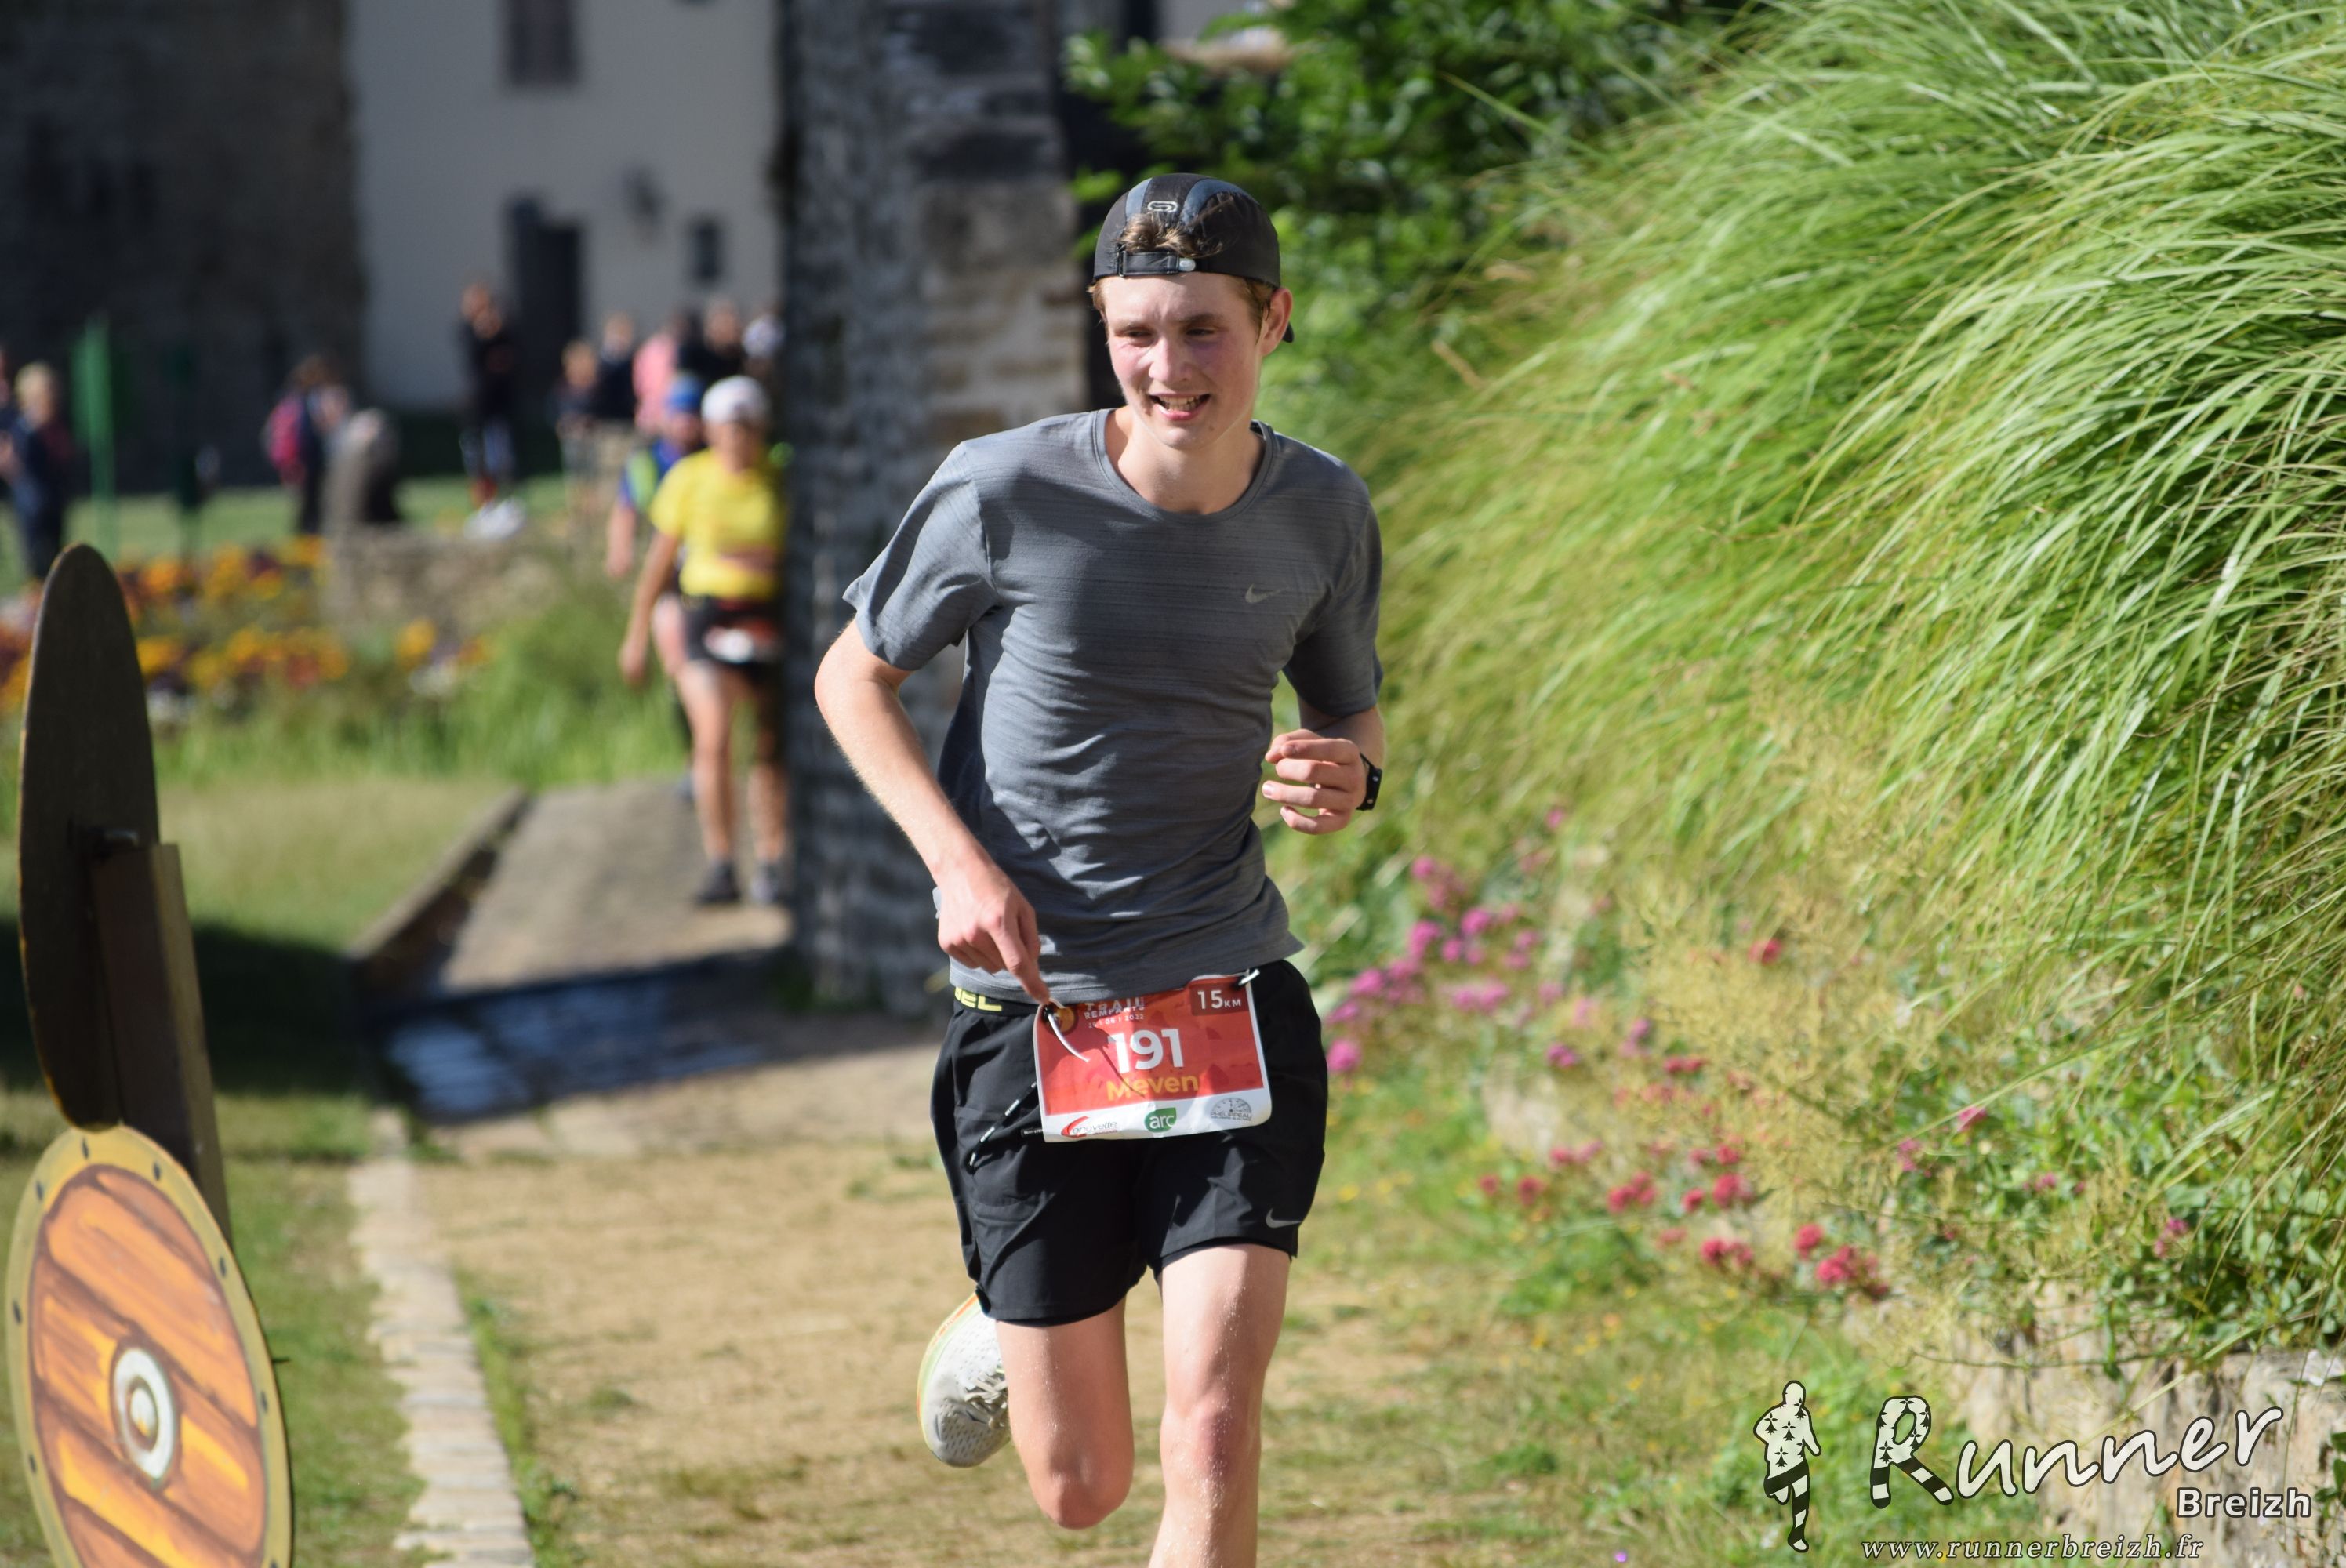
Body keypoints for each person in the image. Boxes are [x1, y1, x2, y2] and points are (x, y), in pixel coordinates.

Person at [812, 174, 1384, 1566]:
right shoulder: (1002, 488)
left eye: (1202, 330)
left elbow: (1348, 715)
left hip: (1226, 995)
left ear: (1272, 321)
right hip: (1037, 1016)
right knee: (1081, 1485)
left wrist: (1348, 773)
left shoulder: (1321, 509)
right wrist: (957, 866)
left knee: (1214, 1434)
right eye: (1136, 332)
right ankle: (1004, 1323)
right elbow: (851, 679)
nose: (1167, 367)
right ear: (1100, 326)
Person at [619, 376, 790, 905]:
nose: (738, 438)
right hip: (707, 615)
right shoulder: (690, 479)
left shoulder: (779, 477)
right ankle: (722, 862)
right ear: (712, 431)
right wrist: (636, 634)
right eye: (728, 428)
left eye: (748, 427)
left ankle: (772, 860)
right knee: (713, 737)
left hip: (766, 617)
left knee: (770, 747)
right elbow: (659, 561)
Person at [608, 374, 707, 783]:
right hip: (667, 579)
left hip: (707, 577)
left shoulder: (712, 459)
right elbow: (625, 509)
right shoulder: (647, 464)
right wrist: (620, 550)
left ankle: (709, 754)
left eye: (692, 415)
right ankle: (693, 756)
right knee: (677, 668)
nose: (686, 424)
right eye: (679, 415)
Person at [0, 362, 74, 588]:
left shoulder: (57, 424)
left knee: (56, 549)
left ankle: (53, 589)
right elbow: (13, 457)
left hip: (54, 494)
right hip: (30, 497)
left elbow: (65, 455)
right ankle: (36, 590)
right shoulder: (24, 424)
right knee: (34, 552)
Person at [457, 282, 520, 505]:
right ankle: (483, 502)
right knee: (475, 457)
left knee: (500, 456)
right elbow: (473, 357)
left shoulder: (504, 331)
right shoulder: (467, 331)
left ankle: (504, 497)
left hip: (499, 404)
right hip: (477, 405)